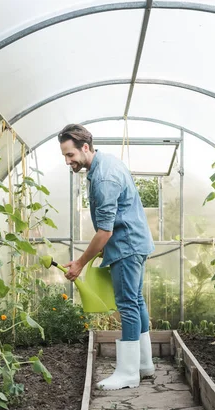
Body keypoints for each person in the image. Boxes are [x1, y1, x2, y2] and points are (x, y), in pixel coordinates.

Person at [58, 124, 155, 390]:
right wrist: (102, 247)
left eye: (70, 155)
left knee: (127, 305)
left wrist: (79, 263)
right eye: (65, 156)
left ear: (85, 147)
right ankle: (144, 366)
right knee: (135, 301)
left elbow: (104, 230)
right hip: (134, 241)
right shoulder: (108, 162)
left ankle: (128, 373)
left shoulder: (103, 178)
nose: (68, 161)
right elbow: (115, 218)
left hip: (126, 246)